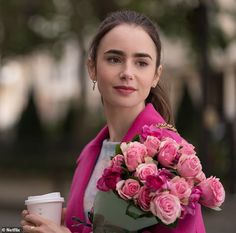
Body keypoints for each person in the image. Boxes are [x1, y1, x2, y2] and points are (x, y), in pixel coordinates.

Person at [21, 10, 206, 233]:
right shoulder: (91, 153)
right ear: (92, 68)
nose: (127, 72)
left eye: (141, 63)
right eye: (114, 59)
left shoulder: (172, 157)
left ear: (156, 75)